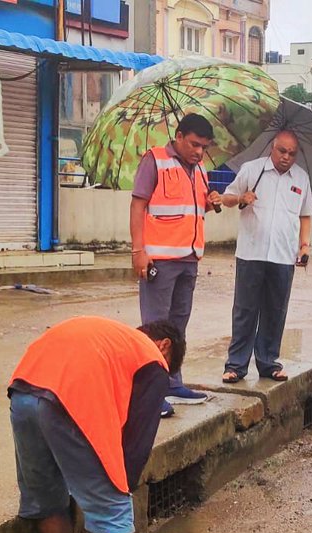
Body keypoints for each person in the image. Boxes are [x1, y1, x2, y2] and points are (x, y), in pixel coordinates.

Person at [7, 316, 186, 533]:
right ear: (165, 345)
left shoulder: (112, 338)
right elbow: (137, 444)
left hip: (23, 391)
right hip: (67, 402)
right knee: (114, 518)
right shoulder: (153, 358)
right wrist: (119, 493)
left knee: (49, 506)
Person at [130, 113, 221, 417]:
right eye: (194, 144)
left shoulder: (200, 169)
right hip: (160, 259)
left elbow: (195, 205)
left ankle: (172, 382)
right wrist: (138, 251)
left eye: (204, 147)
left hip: (189, 259)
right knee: (156, 330)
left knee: (178, 328)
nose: (198, 152)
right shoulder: (154, 161)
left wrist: (212, 200)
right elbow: (138, 205)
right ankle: (149, 395)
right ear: (179, 136)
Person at [218, 131, 312, 383]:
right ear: (273, 147)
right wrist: (241, 197)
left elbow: (305, 215)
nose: (286, 157)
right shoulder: (252, 170)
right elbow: (225, 198)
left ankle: (268, 362)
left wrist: (304, 246)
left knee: (275, 310)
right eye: (282, 151)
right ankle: (236, 365)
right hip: (251, 252)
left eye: (292, 153)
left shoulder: (301, 178)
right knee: (244, 310)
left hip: (283, 255)